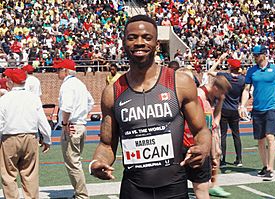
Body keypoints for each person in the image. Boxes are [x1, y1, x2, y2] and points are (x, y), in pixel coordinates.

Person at [90, 15, 211, 199]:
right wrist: (98, 162)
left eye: (147, 37)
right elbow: (107, 144)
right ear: (124, 43)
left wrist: (203, 147)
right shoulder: (112, 92)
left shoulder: (180, 83)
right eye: (132, 37)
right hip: (134, 190)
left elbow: (202, 130)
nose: (140, 42)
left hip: (174, 189)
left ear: (156, 43)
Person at [240, 45, 275, 181]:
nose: (255, 57)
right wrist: (242, 105)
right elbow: (246, 90)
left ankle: (270, 168)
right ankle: (264, 166)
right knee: (260, 139)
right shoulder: (251, 71)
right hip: (257, 109)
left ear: (264, 54)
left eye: (257, 55)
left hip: (271, 107)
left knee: (270, 136)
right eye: (254, 55)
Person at [180, 67, 231, 198]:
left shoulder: (206, 97)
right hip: (192, 145)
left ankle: (213, 184)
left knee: (198, 187)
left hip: (193, 144)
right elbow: (209, 127)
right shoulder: (200, 97)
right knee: (199, 188)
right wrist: (214, 148)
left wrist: (220, 102)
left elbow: (214, 123)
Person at [0, 68, 51, 199]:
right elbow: (42, 121)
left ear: (11, 82)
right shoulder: (33, 98)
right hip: (30, 137)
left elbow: (0, 123)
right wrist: (47, 139)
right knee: (30, 174)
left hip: (9, 138)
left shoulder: (4, 99)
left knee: (8, 175)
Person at [53, 59, 94, 199]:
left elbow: (67, 107)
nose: (56, 72)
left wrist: (65, 124)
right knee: (76, 162)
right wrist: (81, 115)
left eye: (58, 69)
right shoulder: (80, 84)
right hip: (81, 125)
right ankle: (80, 193)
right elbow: (90, 102)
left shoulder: (68, 85)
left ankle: (81, 195)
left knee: (73, 164)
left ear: (65, 70)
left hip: (72, 126)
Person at [208, 58, 245, 167]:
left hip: (223, 108)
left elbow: (210, 71)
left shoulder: (226, 77)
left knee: (223, 135)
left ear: (230, 67)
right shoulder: (242, 80)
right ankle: (239, 159)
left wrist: (219, 59)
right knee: (236, 134)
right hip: (234, 109)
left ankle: (223, 160)